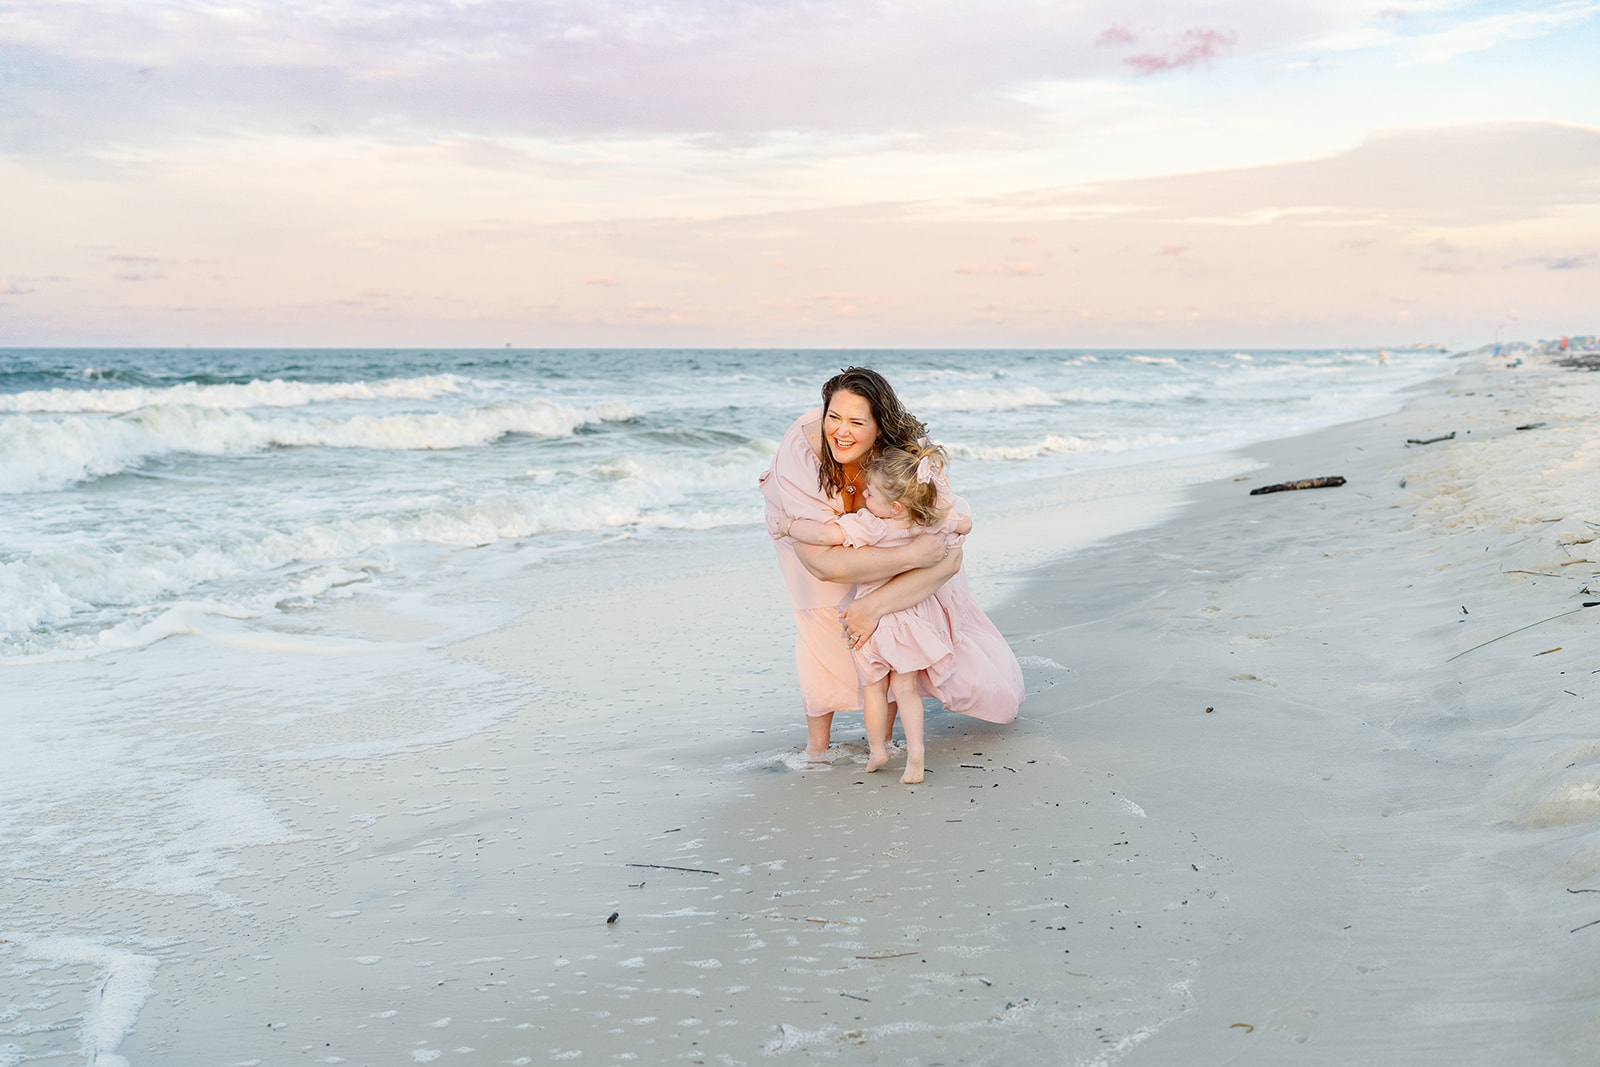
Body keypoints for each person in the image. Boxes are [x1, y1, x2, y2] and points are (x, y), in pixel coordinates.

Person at [758, 367, 1023, 759]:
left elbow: (948, 550)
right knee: (819, 617)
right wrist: (912, 555)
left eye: (856, 422)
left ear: (880, 427)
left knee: (892, 624)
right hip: (807, 534)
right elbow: (822, 564)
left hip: (885, 532)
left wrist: (874, 604)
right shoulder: (799, 452)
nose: (840, 432)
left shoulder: (907, 457)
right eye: (833, 416)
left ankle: (879, 741)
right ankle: (817, 748)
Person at [784, 443, 972, 783]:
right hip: (912, 619)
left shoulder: (872, 525)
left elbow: (827, 533)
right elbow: (966, 524)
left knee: (874, 688)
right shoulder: (926, 522)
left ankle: (878, 750)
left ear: (894, 505)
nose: (865, 495)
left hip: (873, 622)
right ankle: (915, 752)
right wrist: (943, 507)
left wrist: (788, 525)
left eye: (870, 492)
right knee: (906, 690)